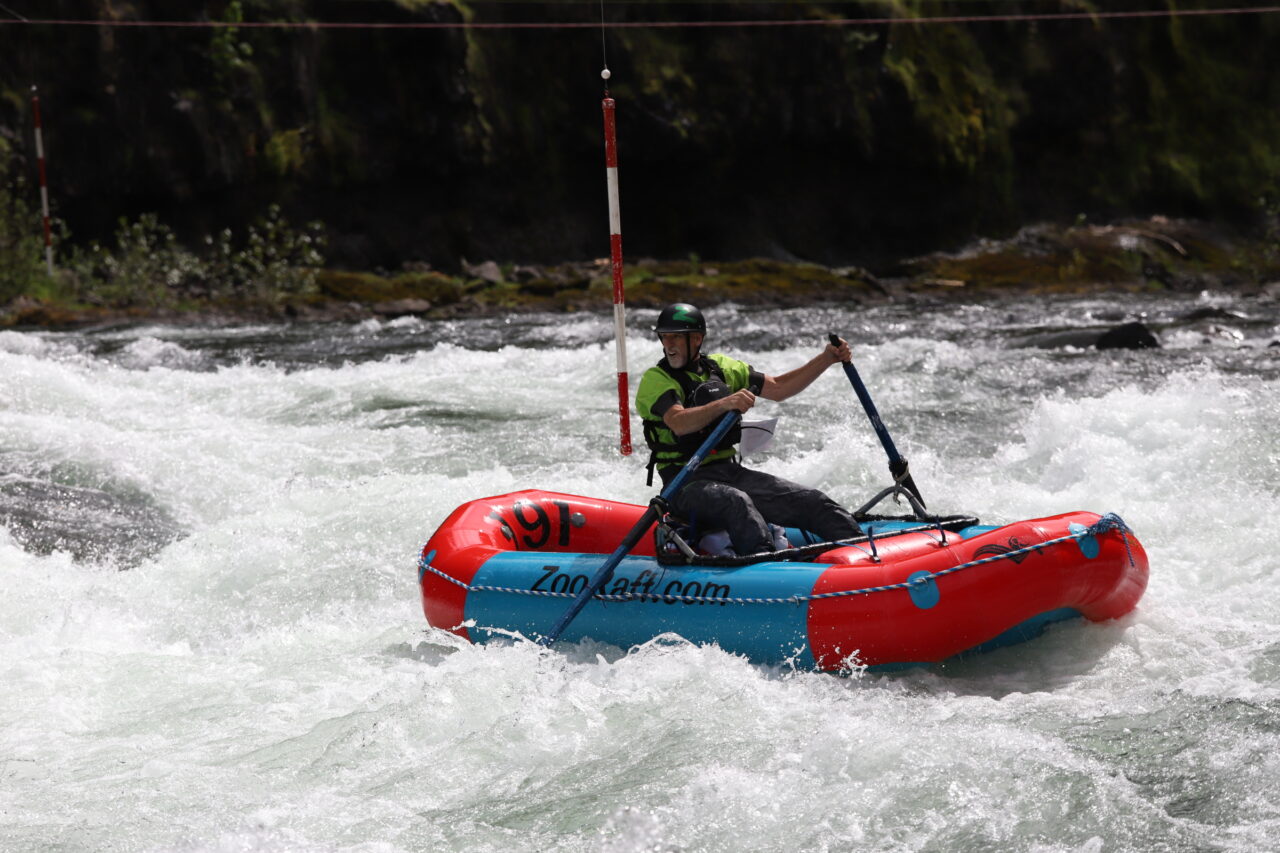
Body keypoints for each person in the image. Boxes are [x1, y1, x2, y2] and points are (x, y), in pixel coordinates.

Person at [635, 302, 862, 555]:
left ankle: (864, 557)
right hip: (683, 483)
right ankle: (766, 572)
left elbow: (778, 388)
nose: (669, 345)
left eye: (676, 337)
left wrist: (826, 359)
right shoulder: (655, 379)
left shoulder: (723, 369)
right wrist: (725, 403)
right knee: (737, 502)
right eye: (664, 337)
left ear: (697, 339)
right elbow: (678, 422)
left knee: (812, 501)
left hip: (730, 473)